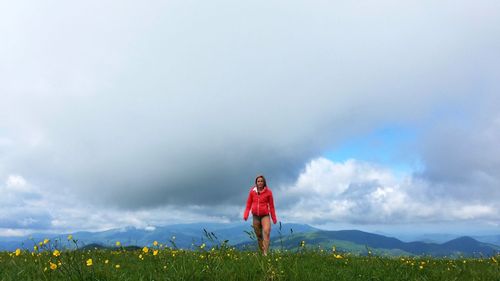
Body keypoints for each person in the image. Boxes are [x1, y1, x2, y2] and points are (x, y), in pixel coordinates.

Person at [243, 175, 277, 256]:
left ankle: (265, 254)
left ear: (264, 182)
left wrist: (274, 218)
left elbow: (271, 206)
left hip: (265, 215)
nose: (260, 182)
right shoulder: (252, 192)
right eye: (258, 181)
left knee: (267, 232)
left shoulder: (268, 192)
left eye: (261, 181)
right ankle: (262, 252)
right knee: (259, 235)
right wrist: (246, 214)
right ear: (256, 183)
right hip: (255, 216)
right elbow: (248, 204)